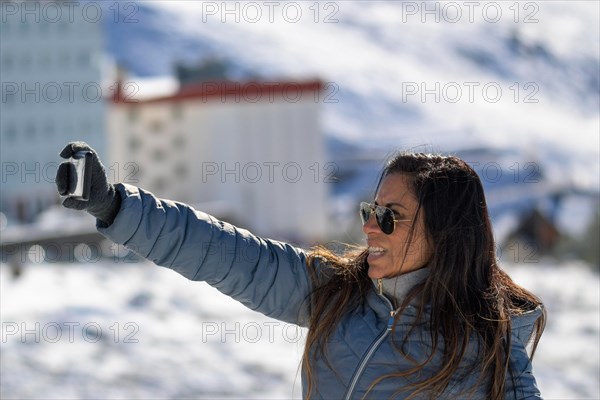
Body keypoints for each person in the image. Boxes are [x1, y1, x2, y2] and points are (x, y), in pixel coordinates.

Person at [55, 142, 546, 399]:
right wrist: (116, 205)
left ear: (445, 232)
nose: (371, 229)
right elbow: (222, 252)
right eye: (369, 212)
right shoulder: (339, 293)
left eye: (389, 217)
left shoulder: (490, 348)